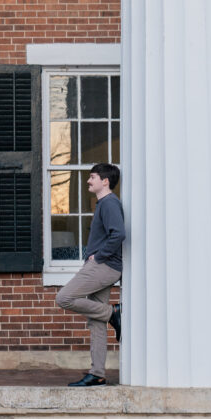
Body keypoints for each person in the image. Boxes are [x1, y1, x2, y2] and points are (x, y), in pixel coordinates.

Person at [55, 163, 125, 387]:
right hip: (104, 266)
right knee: (96, 322)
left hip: (103, 266)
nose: (88, 181)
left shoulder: (110, 203)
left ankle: (112, 312)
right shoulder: (104, 204)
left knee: (63, 298)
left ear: (105, 181)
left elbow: (119, 233)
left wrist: (99, 256)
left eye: (93, 177)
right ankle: (97, 373)